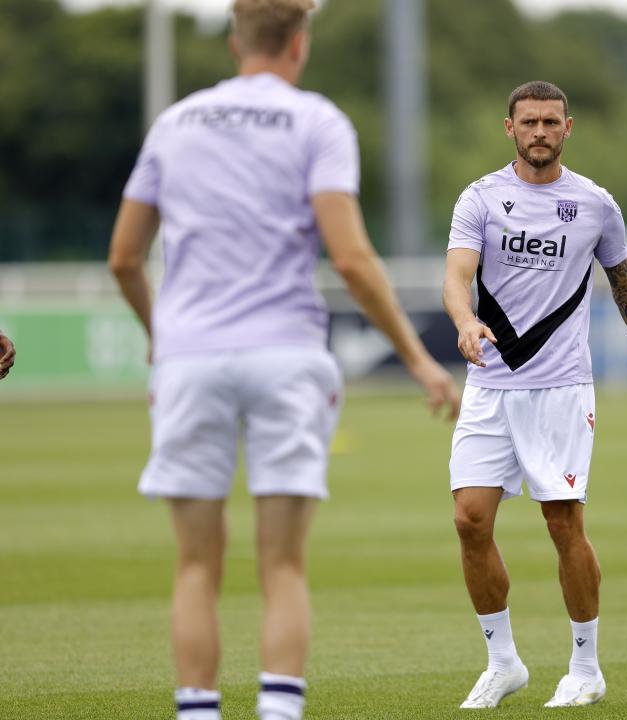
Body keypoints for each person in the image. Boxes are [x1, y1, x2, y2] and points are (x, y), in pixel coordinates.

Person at [108, 2, 459, 719]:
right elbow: (353, 259)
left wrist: (161, 333)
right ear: (299, 44)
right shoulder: (318, 122)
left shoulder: (174, 122)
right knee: (283, 565)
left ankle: (198, 711)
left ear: (236, 40)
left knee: (197, 565)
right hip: (287, 355)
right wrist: (420, 359)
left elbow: (123, 258)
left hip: (191, 360)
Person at [442, 80, 627, 709]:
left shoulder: (595, 205)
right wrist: (466, 322)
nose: (540, 132)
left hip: (561, 389)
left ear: (568, 128)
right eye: (529, 122)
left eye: (551, 122)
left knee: (562, 522)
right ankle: (503, 663)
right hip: (490, 386)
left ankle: (586, 667)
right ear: (510, 128)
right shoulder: (482, 199)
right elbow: (456, 276)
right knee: (469, 520)